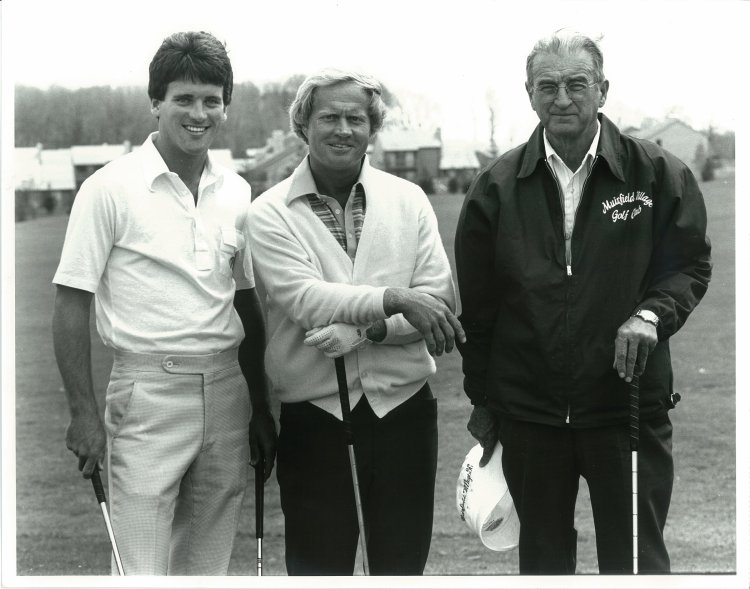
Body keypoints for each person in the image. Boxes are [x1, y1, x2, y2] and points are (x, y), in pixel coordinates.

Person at [455, 31, 712, 574]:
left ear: (603, 90)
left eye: (577, 83)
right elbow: (478, 311)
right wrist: (484, 401)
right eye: (548, 86)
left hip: (628, 409)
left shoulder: (657, 174)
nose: (563, 98)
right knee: (545, 564)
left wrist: (650, 315)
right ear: (529, 94)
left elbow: (688, 265)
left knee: (636, 561)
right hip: (530, 417)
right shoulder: (495, 187)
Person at [51, 31, 277, 575]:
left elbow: (246, 304)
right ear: (156, 102)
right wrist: (83, 413)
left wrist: (262, 406)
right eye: (183, 98)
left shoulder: (239, 193)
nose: (198, 113)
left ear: (225, 105)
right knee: (141, 566)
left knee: (207, 566)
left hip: (227, 392)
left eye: (211, 100)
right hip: (147, 392)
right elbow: (70, 304)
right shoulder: (109, 188)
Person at [245, 69, 464, 576]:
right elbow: (304, 298)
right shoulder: (269, 212)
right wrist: (395, 298)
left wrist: (368, 330)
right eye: (329, 117)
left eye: (356, 119)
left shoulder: (407, 199)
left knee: (401, 565)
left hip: (405, 412)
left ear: (372, 128)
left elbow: (438, 299)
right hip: (315, 418)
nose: (343, 129)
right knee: (318, 567)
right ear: (303, 124)